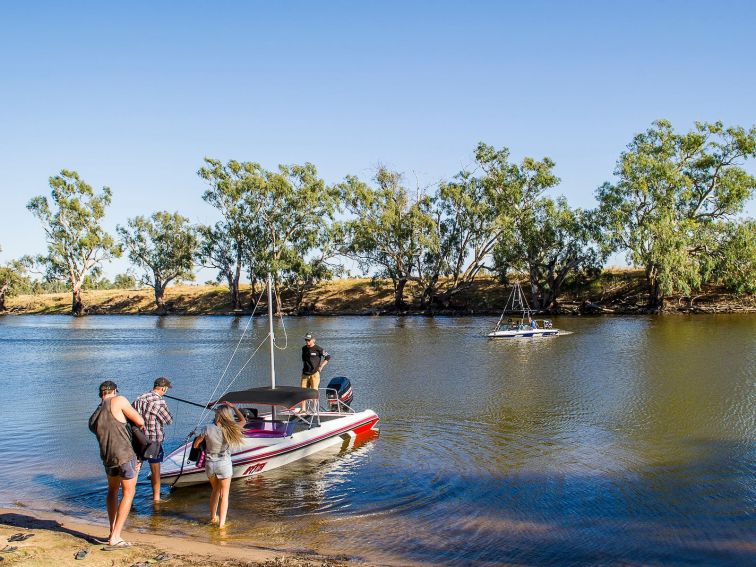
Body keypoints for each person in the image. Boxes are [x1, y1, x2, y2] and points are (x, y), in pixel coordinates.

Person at [88, 380, 145, 549]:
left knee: (112, 491)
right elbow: (140, 421)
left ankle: (112, 531)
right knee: (129, 492)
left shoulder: (95, 413)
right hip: (125, 455)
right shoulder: (119, 400)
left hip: (107, 458)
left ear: (101, 394)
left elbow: (94, 427)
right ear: (115, 390)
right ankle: (116, 537)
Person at [192, 403, 246, 528]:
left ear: (217, 415)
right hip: (224, 464)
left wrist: (201, 442)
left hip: (210, 464)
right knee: (224, 495)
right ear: (227, 416)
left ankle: (212, 518)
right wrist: (233, 407)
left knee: (215, 491)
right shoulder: (231, 428)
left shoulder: (207, 428)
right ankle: (221, 525)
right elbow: (243, 420)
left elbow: (195, 445)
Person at [133, 376, 174, 503]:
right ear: (163, 388)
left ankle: (129, 497)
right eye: (166, 389)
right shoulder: (160, 402)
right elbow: (169, 420)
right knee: (155, 470)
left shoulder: (140, 398)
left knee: (136, 468)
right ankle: (156, 498)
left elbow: (131, 414)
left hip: (138, 438)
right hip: (153, 441)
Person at [300, 332, 331, 412]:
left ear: (313, 340)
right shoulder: (304, 348)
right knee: (302, 392)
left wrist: (321, 366)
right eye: (306, 340)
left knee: (314, 391)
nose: (307, 341)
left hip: (314, 374)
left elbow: (328, 357)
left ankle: (314, 409)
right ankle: (303, 409)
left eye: (309, 340)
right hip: (305, 374)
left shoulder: (318, 349)